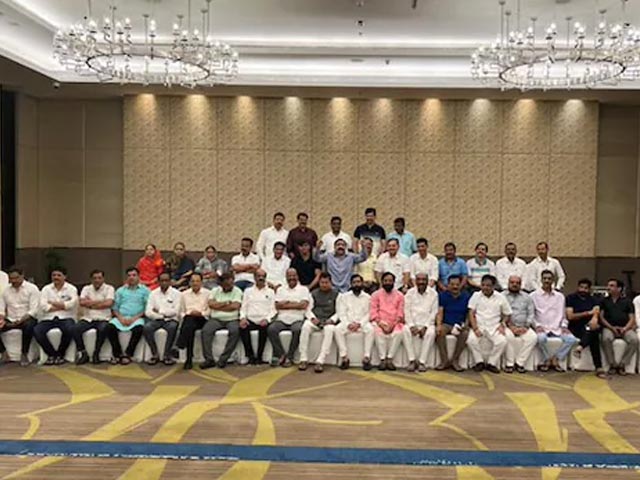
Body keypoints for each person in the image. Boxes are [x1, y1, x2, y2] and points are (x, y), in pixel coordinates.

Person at [530, 270, 577, 372]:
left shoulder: (560, 297)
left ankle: (556, 358)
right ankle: (547, 359)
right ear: (541, 280)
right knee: (541, 339)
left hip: (557, 328)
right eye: (545, 278)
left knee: (571, 339)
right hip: (541, 327)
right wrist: (537, 326)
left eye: (549, 279)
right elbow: (531, 315)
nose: (547, 281)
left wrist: (564, 326)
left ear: (553, 281)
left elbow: (563, 315)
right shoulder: (533, 296)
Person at [267, 268, 312, 367]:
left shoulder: (304, 289)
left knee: (297, 330)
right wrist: (296, 304)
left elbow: (303, 305)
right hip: (282, 319)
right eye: (289, 276)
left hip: (297, 318)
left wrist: (286, 303)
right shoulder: (280, 289)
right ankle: (282, 355)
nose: (292, 278)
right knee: (271, 329)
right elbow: (277, 306)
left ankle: (290, 356)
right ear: (286, 277)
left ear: (297, 276)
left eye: (294, 275)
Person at [466, 275, 511, 374]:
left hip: (494, 326)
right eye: (483, 285)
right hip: (479, 325)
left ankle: (492, 363)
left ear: (494, 286)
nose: (485, 288)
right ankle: (479, 362)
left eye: (488, 285)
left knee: (502, 341)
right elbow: (471, 313)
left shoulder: (500, 297)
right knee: (471, 340)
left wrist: (502, 324)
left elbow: (507, 314)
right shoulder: (476, 295)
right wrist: (475, 328)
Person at [34, 267, 78, 366]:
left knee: (70, 329)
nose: (56, 277)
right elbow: (44, 306)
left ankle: (60, 354)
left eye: (59, 275)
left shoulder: (71, 289)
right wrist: (62, 305)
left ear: (65, 277)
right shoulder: (46, 289)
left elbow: (71, 305)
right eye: (54, 275)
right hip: (48, 318)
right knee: (37, 330)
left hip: (66, 317)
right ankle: (52, 355)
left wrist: (52, 303)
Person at [105, 267, 150, 365]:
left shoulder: (145, 290)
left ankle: (128, 354)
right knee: (109, 327)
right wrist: (120, 318)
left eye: (134, 275)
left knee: (139, 329)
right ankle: (117, 354)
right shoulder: (120, 291)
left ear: (138, 277)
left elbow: (147, 308)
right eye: (129, 275)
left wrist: (134, 318)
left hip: (137, 317)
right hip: (121, 317)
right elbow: (115, 308)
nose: (131, 277)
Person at [199, 272, 243, 369]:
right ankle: (209, 359)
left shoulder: (237, 291)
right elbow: (211, 304)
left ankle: (223, 359)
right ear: (221, 284)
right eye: (227, 284)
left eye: (231, 283)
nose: (230, 286)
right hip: (216, 319)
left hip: (232, 319)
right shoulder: (215, 290)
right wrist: (226, 303)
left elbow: (235, 306)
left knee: (235, 331)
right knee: (206, 331)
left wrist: (218, 306)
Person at [299, 273, 339, 373]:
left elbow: (339, 311)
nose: (324, 285)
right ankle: (303, 358)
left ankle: (320, 360)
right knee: (305, 326)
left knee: (330, 329)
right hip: (316, 320)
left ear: (331, 283)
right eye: (322, 282)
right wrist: (313, 318)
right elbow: (308, 309)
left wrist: (332, 320)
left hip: (328, 321)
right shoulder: (313, 294)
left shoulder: (337, 294)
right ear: (319, 283)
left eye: (326, 282)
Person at [74, 269, 115, 365]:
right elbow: (82, 302)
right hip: (88, 318)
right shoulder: (86, 288)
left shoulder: (109, 288)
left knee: (103, 329)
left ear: (103, 279)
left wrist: (90, 303)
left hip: (103, 318)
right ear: (91, 279)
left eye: (99, 278)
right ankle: (83, 353)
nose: (97, 280)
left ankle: (96, 353)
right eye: (94, 278)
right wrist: (101, 301)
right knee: (75, 329)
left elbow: (109, 303)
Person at [566, 278, 604, 377]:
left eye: (586, 288)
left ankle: (580, 347)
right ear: (578, 287)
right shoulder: (571, 298)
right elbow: (570, 316)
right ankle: (599, 367)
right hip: (575, 326)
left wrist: (594, 318)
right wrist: (588, 313)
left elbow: (596, 311)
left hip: (589, 326)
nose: (583, 290)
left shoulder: (594, 299)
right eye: (581, 287)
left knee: (593, 330)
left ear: (589, 289)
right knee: (594, 335)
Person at [0, 267, 39, 367]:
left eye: (16, 278)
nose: (13, 281)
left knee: (29, 326)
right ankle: (3, 352)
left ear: (22, 276)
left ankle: (24, 353)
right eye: (11, 279)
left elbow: (34, 310)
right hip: (11, 319)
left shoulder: (32, 288)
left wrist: (21, 320)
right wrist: (2, 319)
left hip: (27, 318)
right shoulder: (6, 290)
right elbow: (1, 308)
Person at [335, 274, 374, 370]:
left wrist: (359, 324)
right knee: (337, 329)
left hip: (362, 324)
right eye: (354, 282)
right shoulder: (344, 297)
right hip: (348, 323)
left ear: (362, 283)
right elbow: (341, 313)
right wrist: (348, 324)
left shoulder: (368, 297)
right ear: (351, 284)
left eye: (358, 282)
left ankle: (366, 358)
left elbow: (369, 314)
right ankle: (344, 358)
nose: (356, 284)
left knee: (371, 330)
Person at [600, 278, 638, 376]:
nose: (608, 288)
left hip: (625, 327)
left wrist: (625, 328)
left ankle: (622, 364)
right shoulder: (604, 301)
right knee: (606, 339)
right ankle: (612, 364)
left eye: (612, 286)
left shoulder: (627, 301)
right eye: (608, 285)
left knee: (634, 340)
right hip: (609, 327)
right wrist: (611, 327)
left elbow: (632, 318)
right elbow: (601, 317)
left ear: (619, 288)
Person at [370, 272, 406, 371]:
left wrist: (393, 325)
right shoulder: (375, 295)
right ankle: (382, 359)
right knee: (377, 332)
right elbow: (373, 311)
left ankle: (390, 358)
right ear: (382, 282)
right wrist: (381, 324)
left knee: (399, 333)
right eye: (385, 281)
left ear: (394, 282)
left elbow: (400, 312)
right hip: (380, 321)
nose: (388, 283)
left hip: (395, 322)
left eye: (390, 281)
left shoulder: (400, 295)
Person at [239, 269, 276, 365]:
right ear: (254, 277)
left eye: (263, 276)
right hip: (250, 319)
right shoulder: (248, 291)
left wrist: (267, 319)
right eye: (258, 276)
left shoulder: (271, 292)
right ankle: (250, 356)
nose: (261, 278)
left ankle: (260, 356)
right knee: (242, 328)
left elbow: (273, 310)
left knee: (265, 328)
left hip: (264, 319)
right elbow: (243, 307)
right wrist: (243, 318)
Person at [143, 271, 180, 365]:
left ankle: (167, 355)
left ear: (170, 281)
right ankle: (155, 354)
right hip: (157, 320)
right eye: (162, 280)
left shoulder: (177, 294)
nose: (164, 283)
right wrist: (162, 315)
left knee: (172, 327)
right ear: (158, 282)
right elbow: (148, 312)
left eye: (166, 280)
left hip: (171, 320)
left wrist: (159, 311)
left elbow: (176, 311)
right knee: (147, 328)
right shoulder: (153, 293)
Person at [175, 273, 210, 370]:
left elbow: (209, 311)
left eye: (197, 281)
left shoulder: (208, 293)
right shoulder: (184, 294)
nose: (195, 283)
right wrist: (189, 313)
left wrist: (201, 313)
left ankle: (181, 345)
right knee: (189, 326)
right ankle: (189, 359)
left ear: (201, 282)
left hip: (202, 319)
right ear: (190, 283)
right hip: (189, 319)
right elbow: (181, 311)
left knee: (188, 324)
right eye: (193, 281)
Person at [435, 275, 470, 371]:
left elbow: (469, 313)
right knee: (440, 331)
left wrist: (466, 324)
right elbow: (440, 311)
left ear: (460, 285)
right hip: (446, 324)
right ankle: (444, 361)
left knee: (465, 333)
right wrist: (438, 325)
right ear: (448, 285)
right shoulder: (443, 295)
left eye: (457, 284)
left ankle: (455, 360)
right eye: (452, 284)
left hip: (460, 324)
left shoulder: (466, 296)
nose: (455, 287)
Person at [404, 273, 438, 372]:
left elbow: (434, 312)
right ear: (415, 281)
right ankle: (412, 360)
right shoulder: (410, 293)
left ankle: (422, 362)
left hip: (427, 323)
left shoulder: (433, 294)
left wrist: (425, 327)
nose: (421, 282)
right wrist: (411, 325)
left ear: (427, 281)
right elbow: (406, 310)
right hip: (413, 322)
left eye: (423, 280)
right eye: (419, 279)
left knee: (431, 333)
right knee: (404, 330)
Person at [503, 275, 537, 373]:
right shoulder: (501, 296)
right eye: (512, 282)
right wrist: (510, 326)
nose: (515, 285)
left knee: (533, 338)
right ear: (508, 283)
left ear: (521, 285)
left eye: (517, 283)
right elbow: (500, 313)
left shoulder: (527, 297)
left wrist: (526, 326)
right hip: (507, 325)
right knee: (509, 337)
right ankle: (509, 364)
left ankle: (520, 363)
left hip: (523, 326)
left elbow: (531, 313)